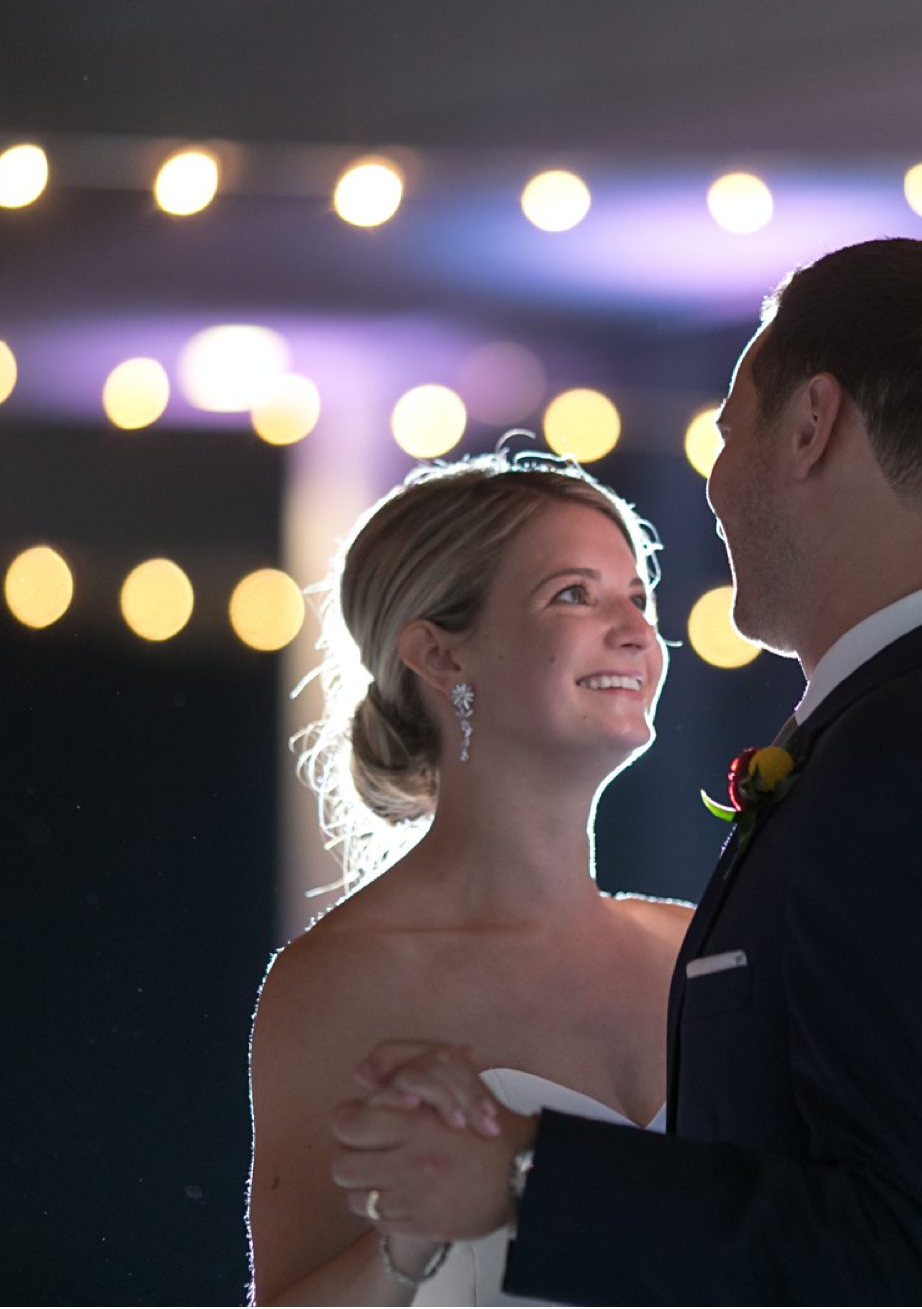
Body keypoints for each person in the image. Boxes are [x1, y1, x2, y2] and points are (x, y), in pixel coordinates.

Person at [330, 238, 922, 1305]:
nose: (711, 478)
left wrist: (523, 1177)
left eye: (726, 426)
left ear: (809, 425)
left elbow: (908, 1259)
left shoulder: (911, 774)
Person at [245, 453, 696, 1306]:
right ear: (441, 654)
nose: (637, 630)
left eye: (636, 596)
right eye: (575, 593)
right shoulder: (340, 981)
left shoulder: (699, 948)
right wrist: (408, 1249)